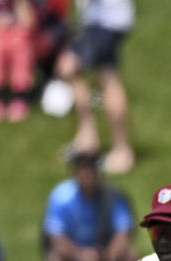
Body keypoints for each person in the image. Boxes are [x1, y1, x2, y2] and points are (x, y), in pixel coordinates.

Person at [55, 0, 134, 174]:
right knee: (96, 75)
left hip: (106, 21)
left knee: (102, 78)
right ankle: (88, 139)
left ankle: (121, 150)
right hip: (100, 21)